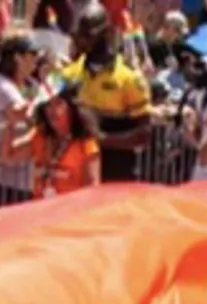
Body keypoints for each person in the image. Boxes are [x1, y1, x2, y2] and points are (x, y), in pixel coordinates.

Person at [64, 4, 151, 183]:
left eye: (87, 36)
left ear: (106, 35)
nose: (80, 41)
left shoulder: (129, 79)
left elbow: (144, 133)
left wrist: (102, 139)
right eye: (78, 36)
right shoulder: (69, 74)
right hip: (78, 176)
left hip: (117, 174)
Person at [0, 27, 39, 207]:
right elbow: (25, 114)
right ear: (17, 58)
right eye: (32, 53)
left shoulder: (25, 86)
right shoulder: (3, 87)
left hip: (18, 179)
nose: (36, 59)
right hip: (3, 182)